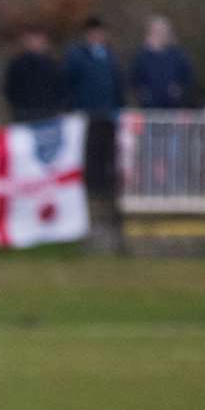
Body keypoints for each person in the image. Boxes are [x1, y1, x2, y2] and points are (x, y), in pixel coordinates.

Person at [65, 17, 126, 253]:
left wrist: (118, 106)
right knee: (89, 154)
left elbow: (117, 83)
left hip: (108, 115)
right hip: (87, 114)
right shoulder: (77, 56)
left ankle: (106, 187)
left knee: (107, 154)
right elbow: (70, 82)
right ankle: (91, 188)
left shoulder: (109, 56)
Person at [130, 16, 195, 109]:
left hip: (173, 108)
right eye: (157, 30)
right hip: (149, 109)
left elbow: (188, 77)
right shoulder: (141, 56)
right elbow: (134, 80)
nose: (161, 34)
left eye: (164, 30)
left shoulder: (177, 55)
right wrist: (144, 94)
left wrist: (179, 90)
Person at [4, 30, 63, 122]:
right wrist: (18, 107)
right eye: (33, 40)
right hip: (24, 112)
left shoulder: (53, 64)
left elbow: (60, 87)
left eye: (39, 41)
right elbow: (10, 88)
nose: (36, 44)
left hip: (48, 112)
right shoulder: (17, 64)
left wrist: (56, 106)